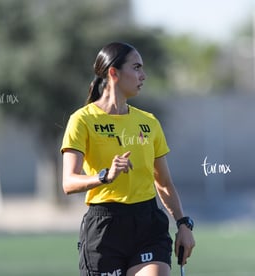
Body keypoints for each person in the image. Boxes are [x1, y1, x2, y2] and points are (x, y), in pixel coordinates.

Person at [61, 42, 195, 276]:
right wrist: (105, 176)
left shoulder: (149, 122)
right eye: (136, 68)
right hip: (105, 229)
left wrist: (183, 224)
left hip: (148, 224)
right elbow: (68, 183)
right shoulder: (82, 120)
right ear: (113, 73)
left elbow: (163, 182)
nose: (143, 75)